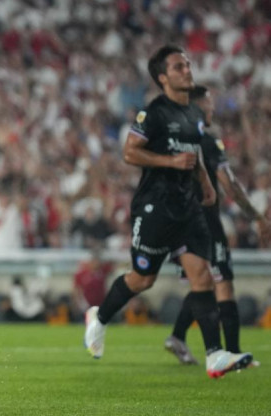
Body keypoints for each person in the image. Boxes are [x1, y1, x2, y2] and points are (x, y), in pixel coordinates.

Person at [83, 45, 253, 378]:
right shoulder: (154, 113)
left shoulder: (193, 113)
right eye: (179, 67)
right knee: (143, 279)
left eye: (188, 64)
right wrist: (170, 161)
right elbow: (130, 153)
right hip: (155, 207)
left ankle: (215, 354)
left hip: (187, 205)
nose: (187, 70)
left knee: (201, 273)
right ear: (163, 78)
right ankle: (99, 317)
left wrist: (203, 179)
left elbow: (195, 154)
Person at [164, 85, 271, 365]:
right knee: (223, 285)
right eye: (209, 103)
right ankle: (233, 353)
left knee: (204, 283)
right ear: (198, 107)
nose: (213, 108)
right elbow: (230, 186)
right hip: (206, 225)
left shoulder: (175, 141)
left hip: (181, 224)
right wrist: (258, 217)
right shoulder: (207, 142)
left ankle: (177, 336)